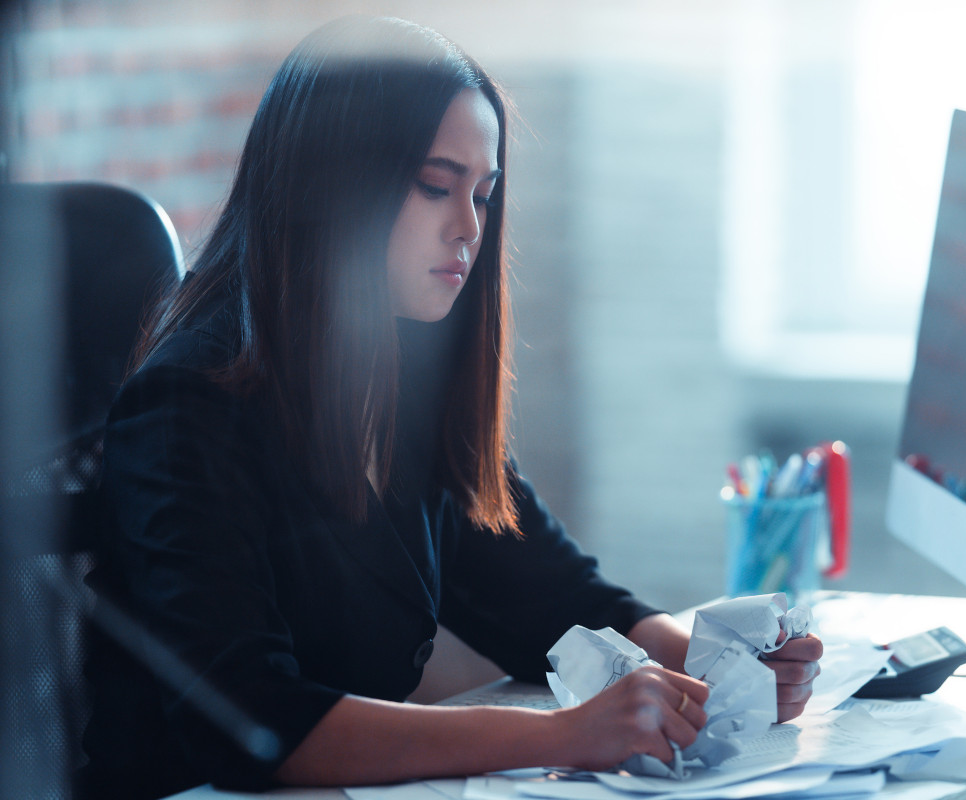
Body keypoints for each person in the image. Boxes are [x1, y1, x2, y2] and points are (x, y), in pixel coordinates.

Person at [78, 15, 823, 800]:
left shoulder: (403, 378)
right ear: (335, 185)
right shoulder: (185, 406)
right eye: (436, 186)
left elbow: (559, 600)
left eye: (483, 192)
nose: (469, 228)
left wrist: (713, 667)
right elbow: (255, 725)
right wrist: (566, 733)